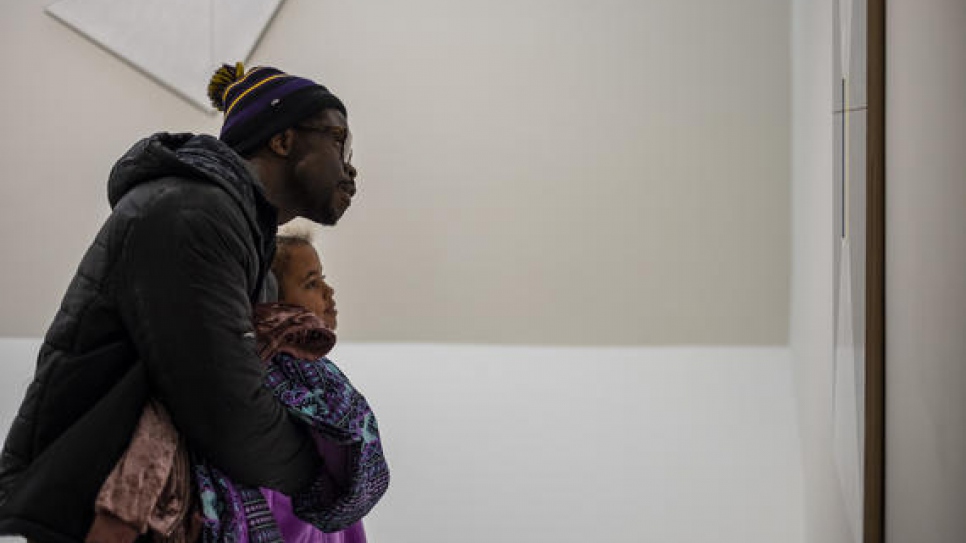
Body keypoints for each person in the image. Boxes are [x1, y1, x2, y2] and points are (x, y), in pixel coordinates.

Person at [0, 62, 359, 543]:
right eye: (339, 140)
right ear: (283, 139)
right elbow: (226, 408)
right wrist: (324, 478)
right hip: (97, 512)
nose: (350, 167)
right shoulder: (191, 213)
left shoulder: (241, 237)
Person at [87, 224, 385, 543]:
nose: (329, 293)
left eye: (323, 279)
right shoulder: (253, 382)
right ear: (270, 298)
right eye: (311, 283)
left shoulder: (315, 383)